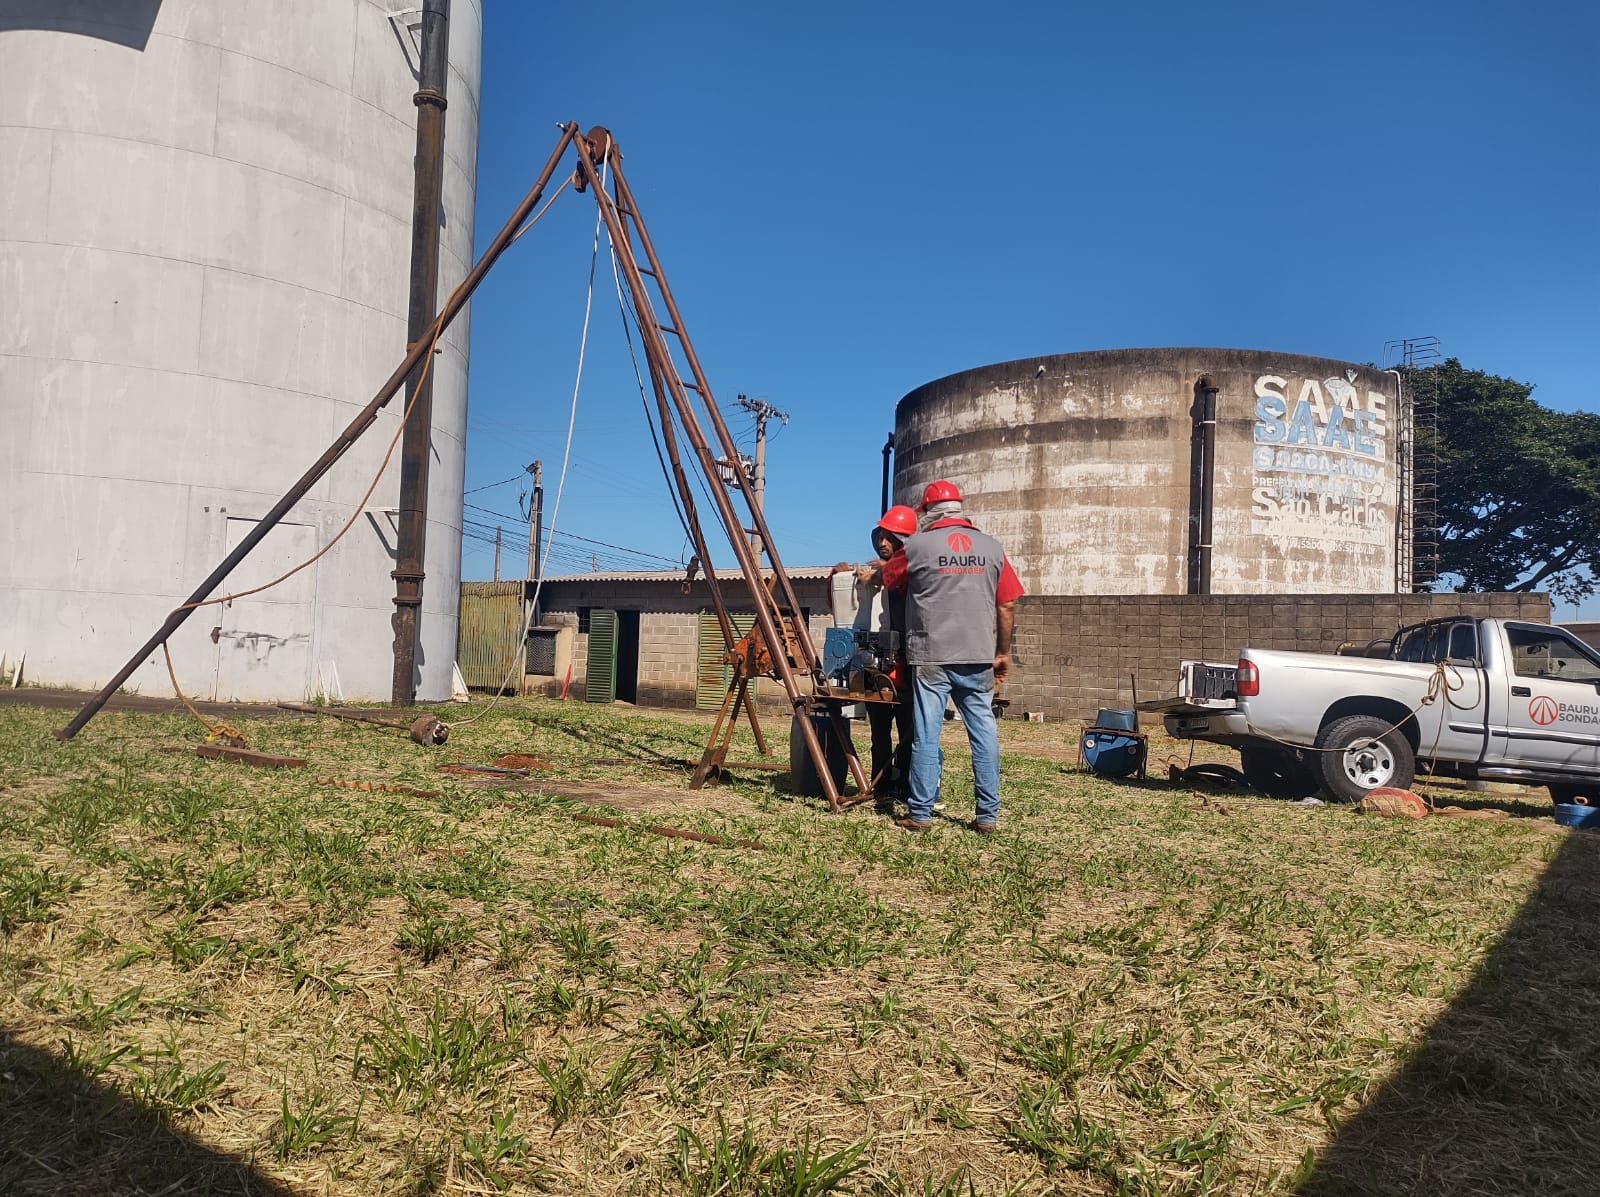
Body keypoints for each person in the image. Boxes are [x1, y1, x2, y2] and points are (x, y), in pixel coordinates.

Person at [882, 480, 1024, 834]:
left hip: (931, 655)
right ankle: (987, 817)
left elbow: (889, 578)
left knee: (927, 734)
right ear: (960, 508)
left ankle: (921, 814)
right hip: (977, 656)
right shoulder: (992, 548)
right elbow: (1006, 604)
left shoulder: (917, 546)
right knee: (984, 733)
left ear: (928, 512)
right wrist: (1002, 653)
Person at [855, 506, 917, 812]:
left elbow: (891, 573)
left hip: (908, 662)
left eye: (888, 537)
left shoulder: (910, 564)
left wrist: (876, 573)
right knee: (880, 731)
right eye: (879, 537)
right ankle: (881, 784)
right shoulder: (883, 570)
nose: (882, 541)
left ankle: (906, 785)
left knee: (908, 732)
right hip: (880, 661)